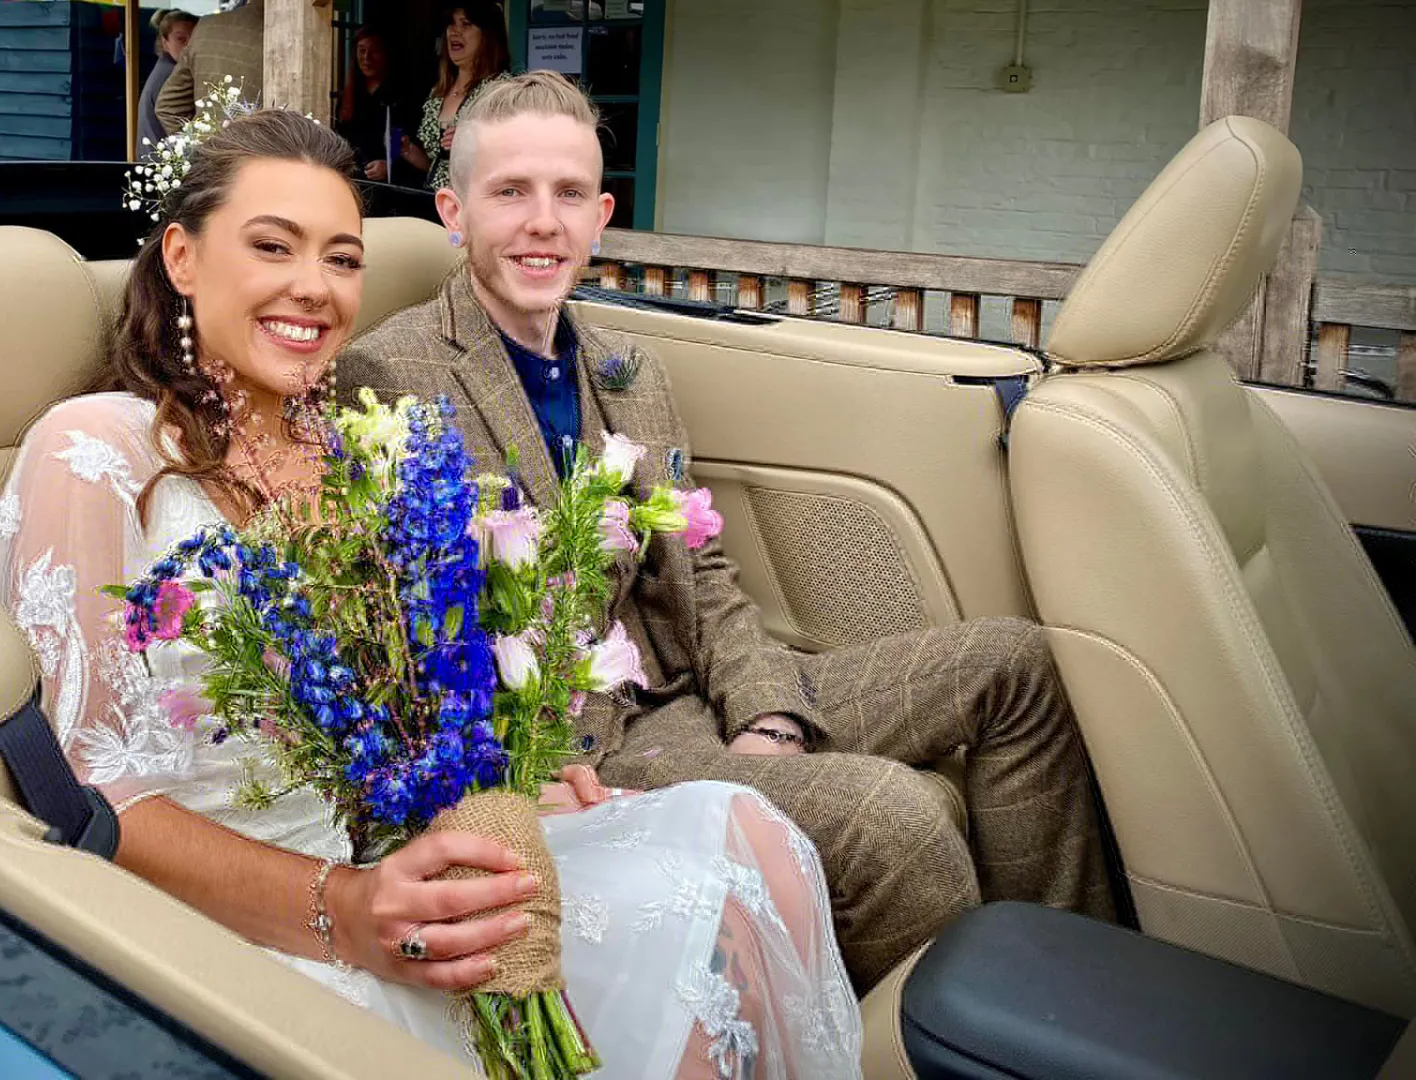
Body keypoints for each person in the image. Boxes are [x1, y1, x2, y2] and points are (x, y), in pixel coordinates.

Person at [0, 108, 861, 1078]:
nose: (314, 288)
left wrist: (500, 783)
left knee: (742, 841)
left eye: (343, 258)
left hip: (377, 862)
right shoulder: (95, 447)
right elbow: (94, 796)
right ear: (183, 258)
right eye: (273, 246)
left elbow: (396, 721)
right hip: (220, 927)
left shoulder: (353, 456)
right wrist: (346, 912)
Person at [338, 72, 1118, 994]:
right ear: (454, 211)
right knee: (893, 818)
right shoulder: (391, 374)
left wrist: (766, 714)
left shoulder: (633, 371)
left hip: (698, 684)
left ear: (601, 217)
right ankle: (954, 1038)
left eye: (570, 194)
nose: (543, 222)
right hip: (596, 740)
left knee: (1019, 665)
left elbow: (703, 569)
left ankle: (1069, 997)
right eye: (510, 192)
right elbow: (410, 638)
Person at [401, 3, 511, 192]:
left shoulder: (502, 91)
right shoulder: (439, 91)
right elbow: (441, 166)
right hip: (435, 203)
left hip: (475, 202)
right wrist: (414, 154)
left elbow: (514, 152)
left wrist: (472, 143)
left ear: (487, 36)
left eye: (466, 24)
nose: (454, 31)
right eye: (451, 24)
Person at [155, 0, 262, 138]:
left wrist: (194, 146)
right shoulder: (284, 30)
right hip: (265, 151)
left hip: (211, 152)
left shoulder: (207, 27)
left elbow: (167, 107)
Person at [335, 27, 416, 187]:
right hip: (353, 180)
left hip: (388, 186)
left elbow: (403, 141)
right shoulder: (350, 95)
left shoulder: (401, 97)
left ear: (386, 54)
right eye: (361, 50)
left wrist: (390, 165)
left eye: (374, 51)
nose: (366, 58)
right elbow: (340, 136)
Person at [138, 9, 198, 159]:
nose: (188, 45)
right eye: (181, 39)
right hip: (162, 168)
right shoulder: (172, 75)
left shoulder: (164, 69)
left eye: (194, 39)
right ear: (165, 42)